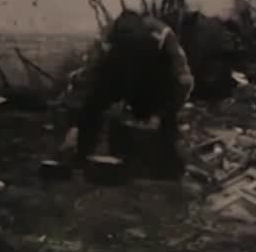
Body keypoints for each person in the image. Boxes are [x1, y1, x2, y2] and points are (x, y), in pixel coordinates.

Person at [65, 10, 196, 177]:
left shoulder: (162, 35)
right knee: (93, 105)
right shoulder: (108, 39)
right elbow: (91, 72)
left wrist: (164, 112)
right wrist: (76, 123)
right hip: (120, 76)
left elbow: (183, 80)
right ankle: (82, 156)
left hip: (154, 82)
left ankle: (169, 164)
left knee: (163, 128)